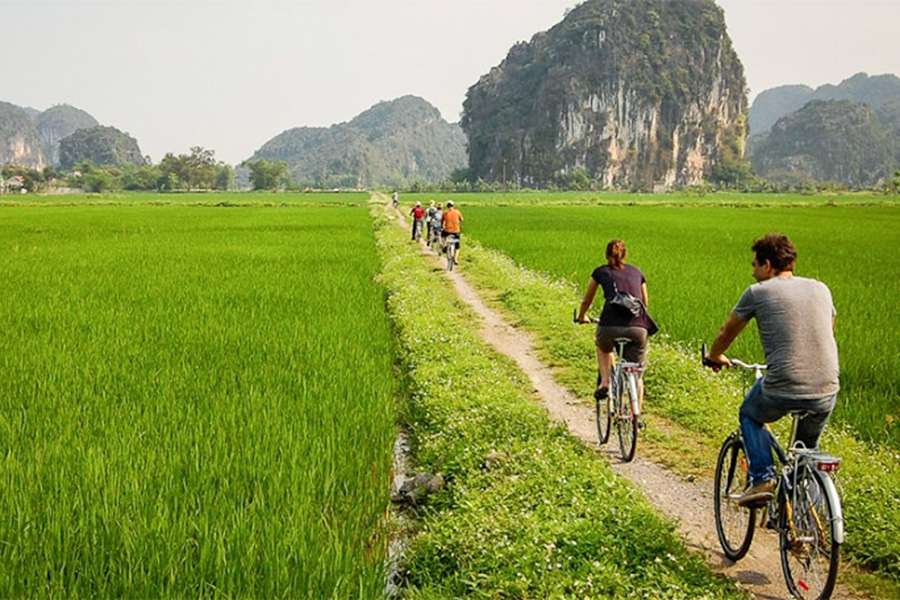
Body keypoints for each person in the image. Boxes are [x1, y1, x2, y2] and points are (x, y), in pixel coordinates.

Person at [704, 233, 839, 507]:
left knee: (750, 414)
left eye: (754, 265)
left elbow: (727, 331)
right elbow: (829, 326)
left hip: (784, 384)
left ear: (767, 265)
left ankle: (762, 478)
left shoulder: (758, 292)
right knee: (805, 453)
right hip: (827, 387)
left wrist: (715, 356)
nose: (753, 272)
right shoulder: (821, 288)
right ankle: (804, 513)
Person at [576, 239, 651, 405]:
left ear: (606, 254)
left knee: (603, 346)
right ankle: (636, 413)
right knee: (637, 375)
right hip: (638, 328)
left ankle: (605, 382)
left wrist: (582, 316)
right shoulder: (637, 272)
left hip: (609, 325)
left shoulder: (601, 272)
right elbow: (645, 303)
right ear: (625, 255)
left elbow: (587, 300)